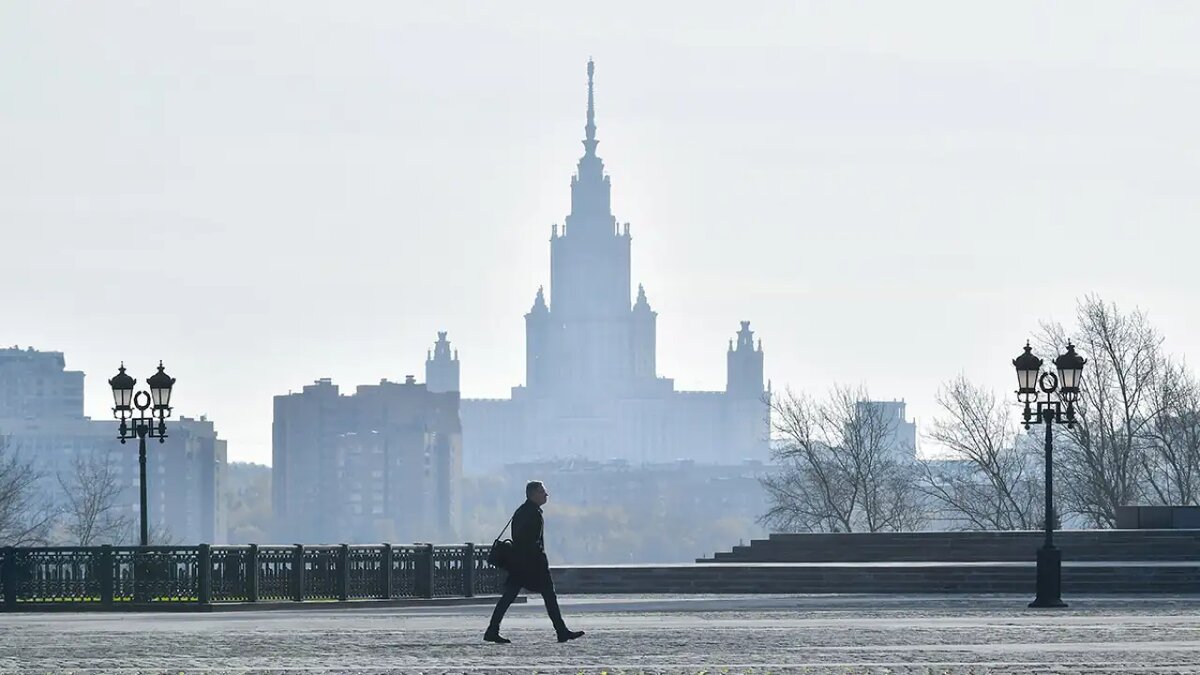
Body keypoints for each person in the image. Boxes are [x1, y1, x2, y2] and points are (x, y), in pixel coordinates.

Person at [484, 480, 585, 644]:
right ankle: (561, 631)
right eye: (542, 492)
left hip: (520, 563)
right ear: (533, 494)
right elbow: (531, 541)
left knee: (509, 597)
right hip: (532, 564)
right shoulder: (533, 513)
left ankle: (492, 629)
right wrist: (538, 558)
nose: (546, 495)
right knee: (548, 595)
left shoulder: (522, 511)